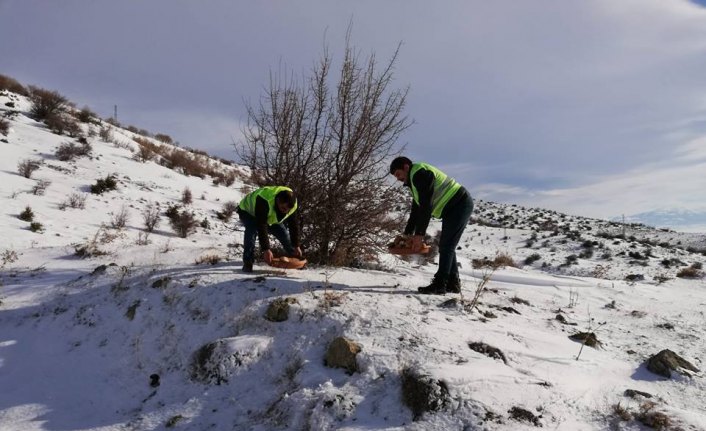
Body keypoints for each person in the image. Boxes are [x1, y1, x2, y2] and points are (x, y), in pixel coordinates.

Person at [389, 156, 473, 294]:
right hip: (452, 209)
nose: (398, 179)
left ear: (405, 167)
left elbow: (426, 207)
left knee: (447, 246)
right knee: (447, 245)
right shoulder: (414, 182)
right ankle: (453, 283)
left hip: (460, 204)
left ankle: (440, 284)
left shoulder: (420, 173)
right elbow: (416, 210)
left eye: (398, 174)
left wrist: (419, 235)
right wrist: (407, 234)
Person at [236, 186, 302, 272]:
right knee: (251, 231)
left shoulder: (292, 204)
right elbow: (261, 225)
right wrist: (266, 249)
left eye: (288, 210)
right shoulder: (264, 200)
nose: (285, 211)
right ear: (278, 201)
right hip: (247, 210)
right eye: (283, 208)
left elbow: (293, 224)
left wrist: (296, 245)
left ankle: (297, 260)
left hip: (268, 215)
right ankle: (248, 262)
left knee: (283, 233)